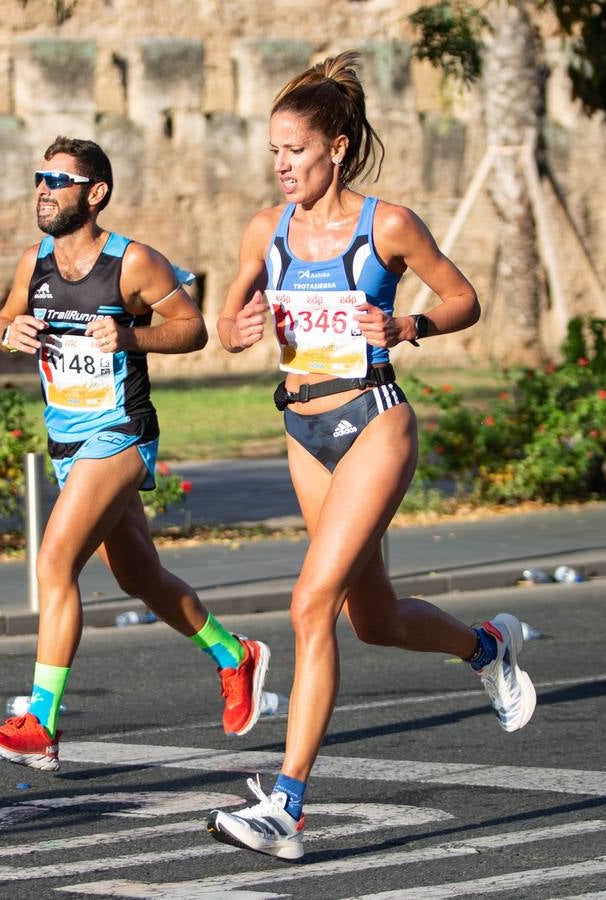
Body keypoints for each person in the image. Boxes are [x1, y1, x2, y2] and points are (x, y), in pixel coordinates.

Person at [204, 52, 536, 860]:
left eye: (298, 152)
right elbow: (229, 316)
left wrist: (409, 326)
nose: (284, 167)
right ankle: (487, 648)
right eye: (275, 153)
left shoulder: (386, 224)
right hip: (302, 430)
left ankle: (286, 807)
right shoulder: (265, 227)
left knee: (310, 605)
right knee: (372, 618)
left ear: (339, 148)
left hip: (374, 421)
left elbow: (464, 298)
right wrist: (235, 327)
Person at [0, 137, 271, 771]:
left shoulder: (132, 263)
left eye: (59, 180)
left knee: (54, 563)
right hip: (67, 439)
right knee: (138, 576)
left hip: (121, 433)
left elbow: (191, 329)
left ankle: (40, 725)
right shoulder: (35, 263)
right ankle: (233, 653)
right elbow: (1, 320)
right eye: (39, 178)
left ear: (95, 194)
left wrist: (128, 335)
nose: (44, 190)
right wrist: (8, 332)